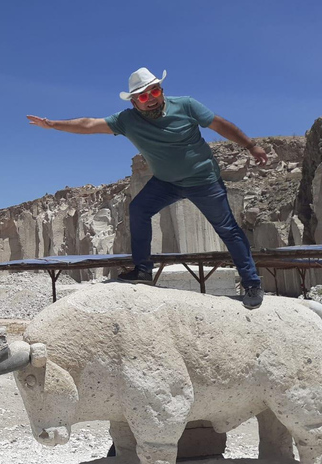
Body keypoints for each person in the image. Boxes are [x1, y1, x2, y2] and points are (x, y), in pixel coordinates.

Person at [27, 68, 269, 309]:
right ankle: (143, 270)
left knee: (228, 230)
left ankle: (252, 284)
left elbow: (219, 125)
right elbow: (89, 124)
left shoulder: (186, 105)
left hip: (203, 181)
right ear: (134, 102)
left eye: (155, 91)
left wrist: (250, 145)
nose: (151, 99)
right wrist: (53, 124)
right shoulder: (126, 120)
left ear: (162, 90)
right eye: (143, 96)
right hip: (166, 183)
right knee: (139, 210)